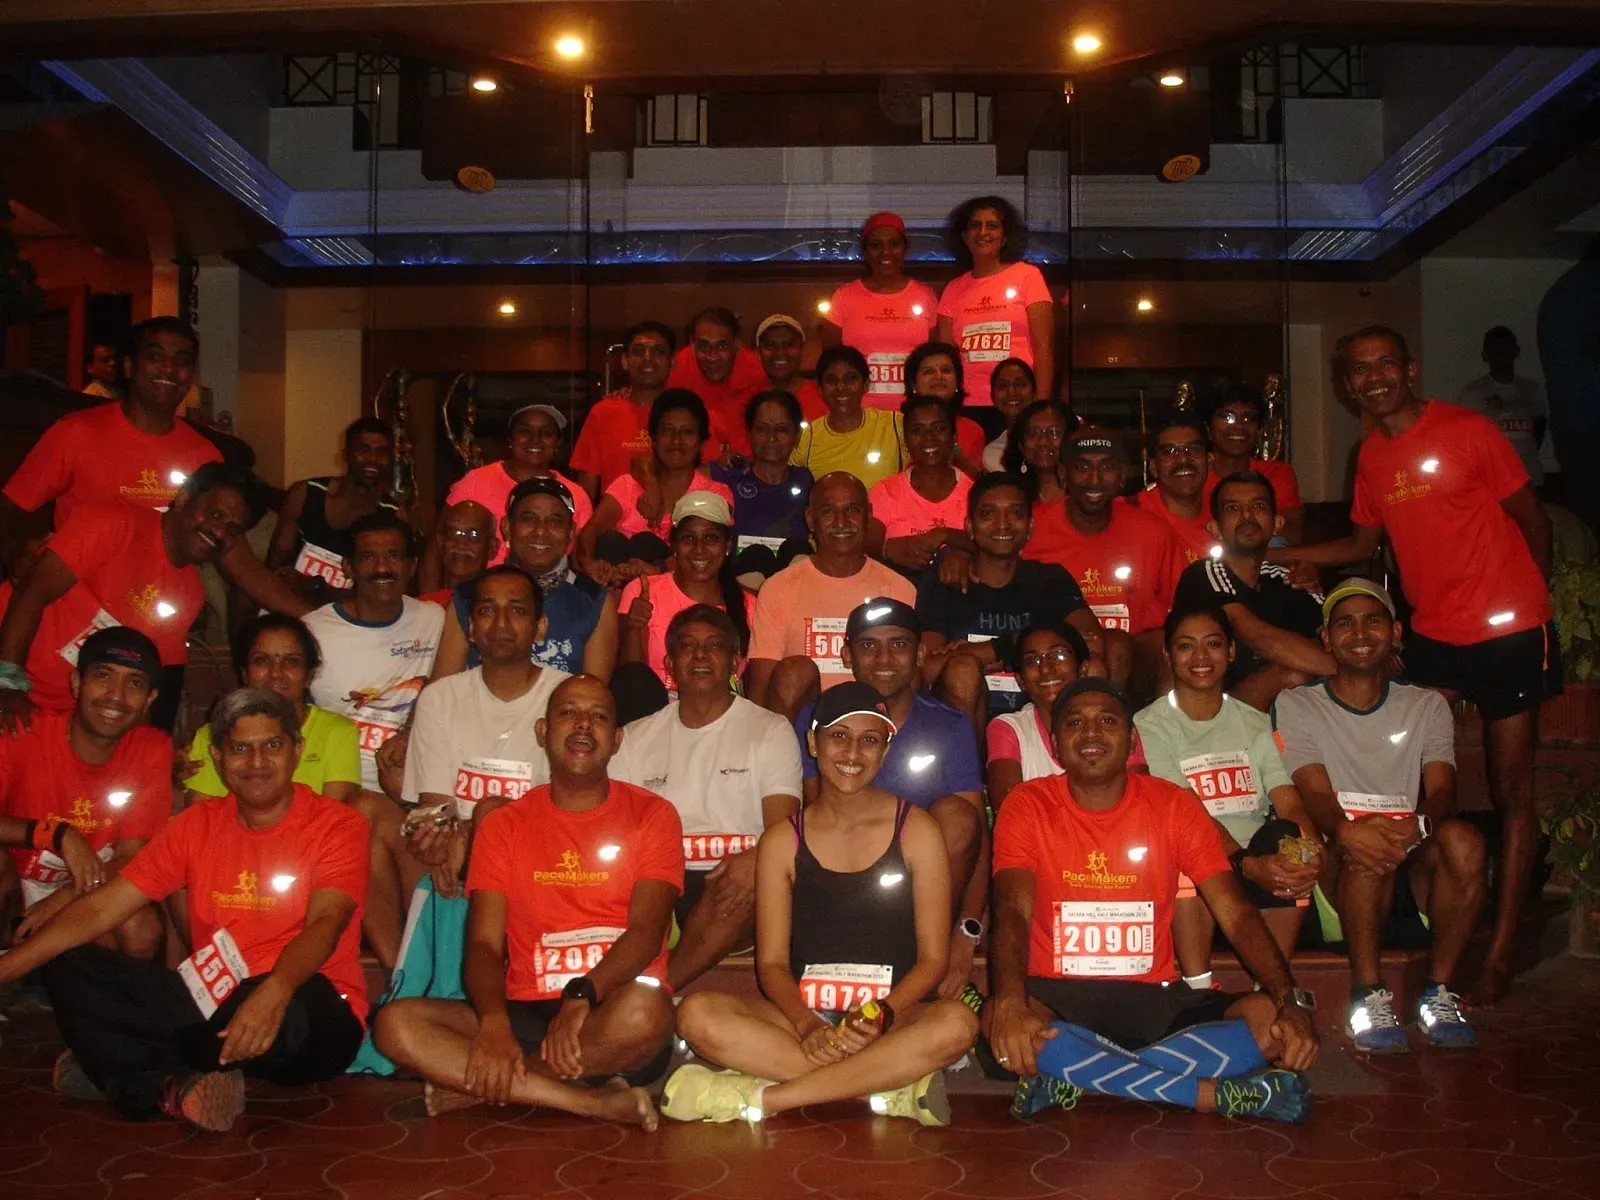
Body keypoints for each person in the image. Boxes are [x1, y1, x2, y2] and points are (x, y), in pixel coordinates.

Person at [1281, 325, 1552, 1007]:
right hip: (1433, 635)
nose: (1373, 378)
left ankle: (1498, 953)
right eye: (1359, 370)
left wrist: (1533, 603)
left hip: (1509, 631)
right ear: (1347, 386)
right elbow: (1363, 543)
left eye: (1384, 364)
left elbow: (1531, 516)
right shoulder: (1371, 455)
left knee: (1512, 789)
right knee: (1408, 761)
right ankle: (1402, 899)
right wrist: (1288, 558)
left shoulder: (1468, 430)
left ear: (1409, 369)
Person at [0, 686, 369, 1132]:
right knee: (67, 961)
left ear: (296, 750)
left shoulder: (337, 825)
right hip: (211, 1002)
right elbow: (101, 909)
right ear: (218, 756)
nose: (257, 762)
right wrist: (7, 969)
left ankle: (122, 1064)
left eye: (272, 745)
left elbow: (326, 924)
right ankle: (165, 1085)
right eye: (240, 749)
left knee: (295, 1011)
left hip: (308, 1005)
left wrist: (274, 990)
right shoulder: (197, 824)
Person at [984, 677, 1318, 1123]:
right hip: (1056, 993)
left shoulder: (1175, 805)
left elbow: (1235, 914)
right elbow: (1012, 909)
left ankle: (1080, 1073)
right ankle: (1207, 1094)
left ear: (1131, 741)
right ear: (1057, 745)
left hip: (1153, 996)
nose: (1091, 732)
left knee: (1266, 1022)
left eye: (1107, 721)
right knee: (1001, 1021)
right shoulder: (1027, 805)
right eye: (1075, 723)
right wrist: (1010, 999)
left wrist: (1287, 998)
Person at [664, 681, 978, 1126]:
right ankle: (887, 1087)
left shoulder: (917, 830)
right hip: (807, 1019)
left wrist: (881, 1015)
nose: (853, 753)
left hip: (890, 1019)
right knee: (697, 1014)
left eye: (870, 740)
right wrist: (808, 1025)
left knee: (957, 1024)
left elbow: (932, 961)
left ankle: (766, 1097)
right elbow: (772, 964)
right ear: (813, 743)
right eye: (838, 736)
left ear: (886, 751)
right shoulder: (782, 840)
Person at [373, 675, 680, 1127]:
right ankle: (589, 1101)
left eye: (598, 716)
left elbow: (648, 933)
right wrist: (494, 1025)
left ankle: (484, 1089)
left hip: (609, 1007)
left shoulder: (653, 815)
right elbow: (483, 945)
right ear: (542, 731)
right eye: (568, 713)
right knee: (394, 1025)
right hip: (526, 1010)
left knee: (646, 1011)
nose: (583, 725)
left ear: (616, 740)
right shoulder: (506, 824)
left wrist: (581, 996)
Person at [1272, 579, 1485, 1051]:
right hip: (1340, 860)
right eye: (1345, 624)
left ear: (1396, 632)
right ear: (1326, 639)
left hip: (1410, 851)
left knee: (1465, 841)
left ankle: (1438, 992)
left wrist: (1417, 826)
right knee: (1366, 850)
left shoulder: (1426, 705)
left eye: (1373, 621)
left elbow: (1442, 790)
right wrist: (1348, 831)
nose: (1360, 634)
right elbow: (1314, 794)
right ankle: (1367, 996)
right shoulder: (1297, 704)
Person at [793, 600, 986, 999]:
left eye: (898, 645)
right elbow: (814, 819)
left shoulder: (948, 725)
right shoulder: (819, 719)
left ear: (920, 654)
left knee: (958, 816)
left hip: (922, 882)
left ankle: (924, 955)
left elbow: (976, 839)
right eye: (868, 646)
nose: (883, 659)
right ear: (847, 656)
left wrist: (967, 931)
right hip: (843, 871)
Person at [610, 604, 802, 989]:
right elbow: (621, 831)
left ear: (736, 663)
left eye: (714, 646)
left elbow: (783, 830)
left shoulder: (770, 730)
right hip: (661, 882)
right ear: (669, 663)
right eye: (687, 646)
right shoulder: (634, 737)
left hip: (733, 881)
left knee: (746, 882)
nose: (700, 655)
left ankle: (659, 991)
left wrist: (757, 859)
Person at [1135, 608, 1321, 990]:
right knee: (1184, 851)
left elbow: (1288, 802)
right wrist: (1244, 864)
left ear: (1232, 651)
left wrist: (1310, 852)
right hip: (1202, 857)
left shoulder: (1255, 721)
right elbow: (1186, 811)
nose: (1201, 657)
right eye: (1186, 646)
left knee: (1290, 844)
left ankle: (1271, 989)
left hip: (1256, 858)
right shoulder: (1147, 725)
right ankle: (1197, 988)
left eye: (1213, 644)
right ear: (1168, 656)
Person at [0, 460, 255, 732]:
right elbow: (33, 589)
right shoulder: (115, 524)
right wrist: (8, 684)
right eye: (214, 514)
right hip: (12, 686)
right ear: (183, 498)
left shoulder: (190, 594)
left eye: (232, 530)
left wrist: (145, 745)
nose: (219, 532)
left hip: (70, 717)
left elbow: (148, 676)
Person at [0, 628, 169, 955]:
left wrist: (64, 898)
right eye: (103, 676)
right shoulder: (23, 730)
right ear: (76, 683)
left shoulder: (151, 749)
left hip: (86, 887)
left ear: (149, 699)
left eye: (134, 683)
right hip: (16, 883)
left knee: (141, 929)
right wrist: (58, 834)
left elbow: (130, 855)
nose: (116, 695)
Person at [402, 566, 569, 882]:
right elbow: (436, 808)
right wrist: (441, 840)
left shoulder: (568, 699)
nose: (501, 623)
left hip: (541, 856)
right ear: (470, 627)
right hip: (456, 858)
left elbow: (567, 809)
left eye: (517, 610)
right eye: (487, 610)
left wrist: (478, 832)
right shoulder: (439, 698)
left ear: (540, 627)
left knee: (492, 814)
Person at [916, 473, 1103, 725]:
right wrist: (1010, 649)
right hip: (968, 717)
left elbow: (1091, 644)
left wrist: (990, 651)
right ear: (969, 527)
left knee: (1094, 667)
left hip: (1040, 714)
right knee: (962, 670)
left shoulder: (1050, 579)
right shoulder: (945, 581)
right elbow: (928, 668)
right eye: (988, 514)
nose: (1002, 524)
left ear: (1030, 527)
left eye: (1015, 513)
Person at [1, 317, 221, 532]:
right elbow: (10, 507)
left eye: (182, 361)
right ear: (128, 367)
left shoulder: (206, 456)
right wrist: (23, 550)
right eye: (155, 357)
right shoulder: (75, 433)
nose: (169, 369)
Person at [1023, 429, 1185, 698]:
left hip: (1136, 661)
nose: (1095, 479)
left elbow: (1180, 609)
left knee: (1160, 643)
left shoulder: (1153, 533)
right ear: (1063, 475)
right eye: (1082, 467)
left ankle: (1162, 723)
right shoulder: (1032, 529)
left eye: (1107, 467)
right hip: (1055, 657)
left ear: (1122, 476)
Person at [746, 473, 916, 718]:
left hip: (875, 723)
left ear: (869, 516)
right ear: (810, 519)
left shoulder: (899, 589)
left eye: (852, 510)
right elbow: (761, 692)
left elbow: (910, 684)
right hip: (802, 729)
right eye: (827, 512)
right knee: (795, 672)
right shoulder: (778, 588)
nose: (841, 522)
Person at [303, 513, 446, 797]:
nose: (382, 568)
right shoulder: (312, 632)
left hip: (417, 780)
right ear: (348, 567)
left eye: (394, 556)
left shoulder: (434, 619)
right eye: (369, 557)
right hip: (341, 785)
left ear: (412, 566)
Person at [1173, 472, 1330, 711]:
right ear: (1215, 529)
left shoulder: (1287, 578)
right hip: (1211, 708)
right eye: (1233, 508)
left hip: (1282, 716)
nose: (1246, 515)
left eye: (1258, 506)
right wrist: (1351, 672)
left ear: (1277, 524)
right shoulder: (1204, 574)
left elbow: (1333, 635)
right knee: (1294, 676)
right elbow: (1259, 638)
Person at [433, 477, 617, 681]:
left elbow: (594, 694)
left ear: (571, 532)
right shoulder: (468, 596)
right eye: (529, 519)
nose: (541, 531)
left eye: (555, 521)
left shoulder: (594, 601)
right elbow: (442, 691)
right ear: (506, 527)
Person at [184, 614, 360, 807]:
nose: (276, 673)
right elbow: (200, 814)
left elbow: (332, 815)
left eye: (291, 662)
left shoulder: (336, 732)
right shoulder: (213, 734)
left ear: (309, 674)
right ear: (244, 673)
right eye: (261, 661)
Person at [575, 390, 734, 588]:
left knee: (646, 544)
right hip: (618, 590)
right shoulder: (627, 486)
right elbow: (591, 531)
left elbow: (713, 553)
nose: (676, 441)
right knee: (611, 542)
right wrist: (591, 565)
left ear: (701, 442)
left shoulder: (715, 494)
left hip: (682, 593)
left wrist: (657, 570)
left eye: (687, 432)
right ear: (654, 439)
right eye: (667, 431)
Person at [616, 492, 753, 716]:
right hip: (655, 719)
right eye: (688, 538)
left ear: (727, 546)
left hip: (723, 721)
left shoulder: (750, 606)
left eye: (711, 538)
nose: (699, 549)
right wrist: (634, 628)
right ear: (674, 545)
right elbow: (630, 682)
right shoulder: (642, 591)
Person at [987, 623, 1145, 808]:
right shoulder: (1009, 729)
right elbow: (1010, 809)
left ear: (1083, 669)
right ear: (1021, 680)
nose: (1046, 668)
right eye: (1032, 660)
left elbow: (1141, 800)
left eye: (1058, 655)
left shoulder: (1113, 723)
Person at [436, 404, 592, 576]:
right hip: (480, 589)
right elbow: (438, 545)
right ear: (510, 439)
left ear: (558, 443)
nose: (535, 439)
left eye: (546, 433)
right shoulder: (474, 483)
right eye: (525, 431)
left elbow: (582, 560)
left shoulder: (576, 496)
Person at [936, 196, 1055, 412]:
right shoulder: (952, 289)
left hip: (1017, 403)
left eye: (992, 225)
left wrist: (1041, 406)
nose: (983, 232)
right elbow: (945, 360)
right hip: (966, 406)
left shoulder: (1028, 276)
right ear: (964, 236)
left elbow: (1044, 348)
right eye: (975, 225)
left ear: (1005, 236)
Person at [268, 418, 400, 601]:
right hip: (292, 601)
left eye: (382, 452)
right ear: (345, 455)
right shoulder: (306, 493)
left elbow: (387, 588)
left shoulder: (393, 515)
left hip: (352, 611)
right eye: (363, 449)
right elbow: (276, 562)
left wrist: (317, 587)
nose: (372, 459)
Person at [820, 211, 939, 410]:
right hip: (859, 412)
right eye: (876, 245)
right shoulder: (844, 297)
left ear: (905, 249)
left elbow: (935, 358)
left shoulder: (925, 296)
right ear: (865, 252)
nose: (886, 252)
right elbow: (831, 361)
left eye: (894, 244)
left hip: (913, 412)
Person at [711, 390, 814, 580]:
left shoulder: (806, 481)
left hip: (796, 588)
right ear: (749, 434)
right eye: (762, 429)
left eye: (781, 430)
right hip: (739, 587)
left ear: (797, 436)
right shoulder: (729, 476)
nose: (771, 438)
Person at [867, 395, 974, 576]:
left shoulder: (975, 492)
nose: (928, 438)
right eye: (917, 430)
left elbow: (991, 546)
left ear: (954, 436)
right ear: (906, 441)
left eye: (939, 428)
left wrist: (946, 535)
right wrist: (889, 548)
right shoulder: (885, 491)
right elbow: (866, 547)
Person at [569, 321, 676, 494]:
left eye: (658, 352)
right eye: (638, 351)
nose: (648, 358)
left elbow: (704, 476)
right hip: (614, 511)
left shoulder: (688, 414)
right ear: (625, 361)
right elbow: (586, 486)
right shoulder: (602, 413)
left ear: (672, 362)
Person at [790, 346, 907, 491]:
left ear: (866, 384)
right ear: (820, 389)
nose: (841, 387)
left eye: (850, 378)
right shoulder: (806, 439)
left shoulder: (895, 425)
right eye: (831, 380)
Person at [1203, 383, 1304, 545]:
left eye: (1248, 418)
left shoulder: (1276, 473)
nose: (1239, 426)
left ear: (1259, 430)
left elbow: (1293, 533)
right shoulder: (1195, 476)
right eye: (1227, 417)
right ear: (1208, 427)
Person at [1457, 325, 1555, 489]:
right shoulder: (1472, 393)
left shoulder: (1532, 390)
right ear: (1485, 355)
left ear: (1515, 351)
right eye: (1495, 349)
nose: (1500, 353)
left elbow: (1538, 430)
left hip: (1528, 477)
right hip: (1489, 482)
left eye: (1505, 347)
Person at [666, 306, 766, 457]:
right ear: (692, 344)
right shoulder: (674, 374)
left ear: (737, 344)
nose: (712, 357)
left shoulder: (758, 374)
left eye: (722, 346)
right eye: (704, 346)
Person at [1132, 416, 1219, 563]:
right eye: (1169, 452)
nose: (1183, 459)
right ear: (1154, 468)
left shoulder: (1225, 515)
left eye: (1193, 449)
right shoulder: (1131, 513)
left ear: (1209, 461)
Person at [902, 341, 989, 472]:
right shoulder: (897, 426)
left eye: (946, 370)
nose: (939, 376)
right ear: (913, 385)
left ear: (957, 382)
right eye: (928, 371)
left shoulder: (973, 430)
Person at [418, 500, 498, 606]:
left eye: (473, 535)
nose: (461, 544)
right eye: (453, 533)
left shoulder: (496, 608)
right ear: (441, 542)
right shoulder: (424, 608)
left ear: (492, 548)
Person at [1002, 399, 1073, 516]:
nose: (1043, 441)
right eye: (1033, 433)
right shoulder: (1012, 499)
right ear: (1021, 446)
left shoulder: (1084, 499)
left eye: (1054, 432)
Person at [753, 315, 827, 422]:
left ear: (802, 350)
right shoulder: (746, 399)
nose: (780, 352)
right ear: (758, 354)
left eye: (789, 345)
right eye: (771, 346)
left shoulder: (825, 396)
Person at [984, 358, 1037, 471]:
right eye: (1003, 386)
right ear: (992, 396)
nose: (1012, 392)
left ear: (1034, 392)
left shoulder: (1051, 442)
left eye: (1020, 384)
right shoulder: (992, 454)